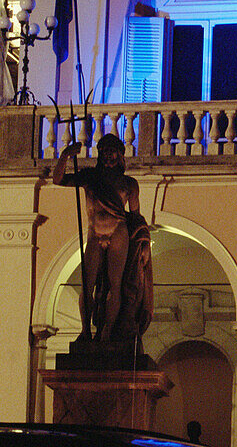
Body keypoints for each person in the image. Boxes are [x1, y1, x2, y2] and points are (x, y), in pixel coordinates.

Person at [53, 133, 152, 342]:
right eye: (105, 152)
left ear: (120, 155)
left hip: (118, 232)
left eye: (112, 152)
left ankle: (106, 332)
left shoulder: (129, 183)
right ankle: (85, 331)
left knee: (116, 285)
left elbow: (135, 217)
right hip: (95, 232)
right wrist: (65, 155)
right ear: (100, 155)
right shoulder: (90, 177)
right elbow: (58, 179)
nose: (109, 156)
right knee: (87, 284)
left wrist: (143, 244)